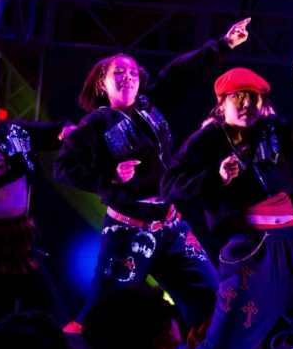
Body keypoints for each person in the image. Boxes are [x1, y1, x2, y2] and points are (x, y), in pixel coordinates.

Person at [55, 18, 251, 331]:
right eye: (119, 73)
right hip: (128, 232)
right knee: (101, 315)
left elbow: (180, 74)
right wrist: (110, 175)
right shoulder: (96, 123)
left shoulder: (150, 106)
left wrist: (223, 44)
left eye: (133, 73)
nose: (128, 77)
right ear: (102, 83)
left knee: (211, 302)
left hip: (170, 225)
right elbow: (64, 168)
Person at [161, 61, 293, 349]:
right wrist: (216, 177)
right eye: (238, 97)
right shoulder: (206, 140)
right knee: (223, 348)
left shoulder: (272, 129)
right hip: (251, 251)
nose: (247, 104)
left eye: (253, 97)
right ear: (221, 104)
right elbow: (170, 184)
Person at [0, 83, 71, 332]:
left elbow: (53, 131)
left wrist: (67, 131)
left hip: (16, 236)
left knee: (46, 305)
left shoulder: (9, 132)